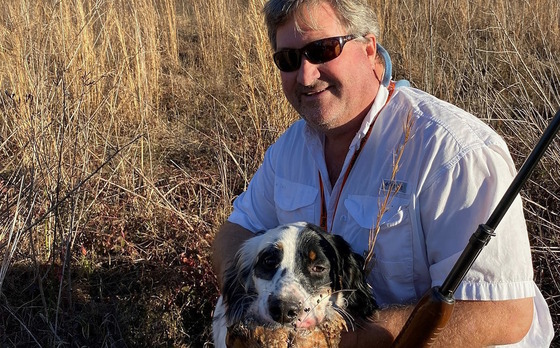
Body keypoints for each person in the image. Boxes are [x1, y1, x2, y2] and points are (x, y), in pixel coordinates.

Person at [212, 0, 554, 346]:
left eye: (322, 50)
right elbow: (236, 230)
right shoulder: (290, 149)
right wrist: (246, 313)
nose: (305, 75)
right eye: (288, 59)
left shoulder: (453, 152)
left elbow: (505, 313)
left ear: (369, 48)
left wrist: (339, 340)